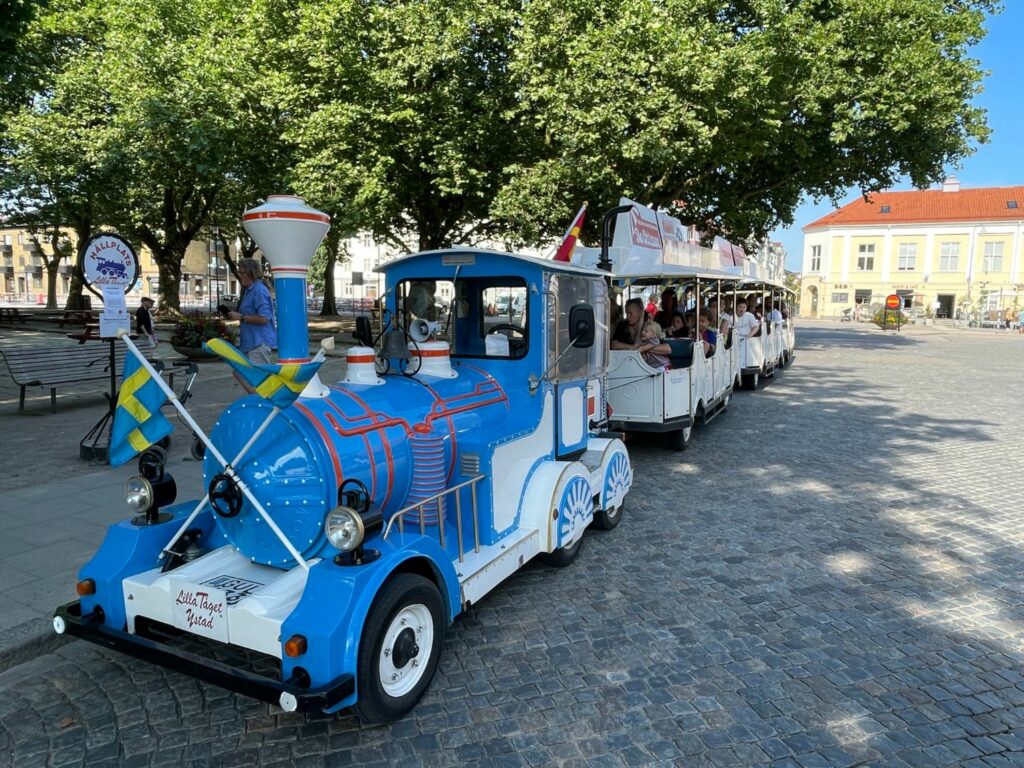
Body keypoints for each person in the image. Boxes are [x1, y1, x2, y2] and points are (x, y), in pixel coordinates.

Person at [228, 258, 277, 372]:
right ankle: (254, 391)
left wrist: (240, 317)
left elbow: (264, 319)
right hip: (250, 342)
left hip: (258, 343)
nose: (240, 276)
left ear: (251, 273)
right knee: (240, 373)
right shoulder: (249, 290)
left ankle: (259, 391)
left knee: (258, 379)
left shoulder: (259, 290)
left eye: (242, 273)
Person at [612, 298, 671, 368]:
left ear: (640, 312)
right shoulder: (622, 325)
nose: (628, 317)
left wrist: (643, 348)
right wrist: (634, 347)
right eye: (627, 313)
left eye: (630, 313)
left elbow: (667, 349)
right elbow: (614, 345)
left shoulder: (649, 326)